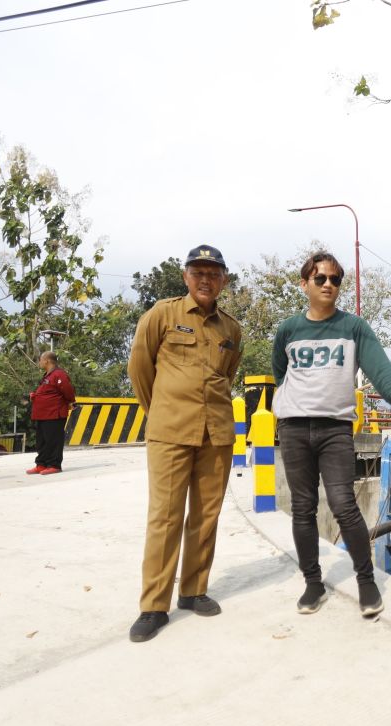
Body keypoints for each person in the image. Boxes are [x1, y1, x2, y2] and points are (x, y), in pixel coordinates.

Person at [272, 251, 391, 618]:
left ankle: (366, 580)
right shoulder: (289, 330)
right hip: (294, 427)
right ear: (305, 284)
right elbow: (280, 372)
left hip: (335, 429)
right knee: (303, 507)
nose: (329, 284)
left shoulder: (354, 328)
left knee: (344, 504)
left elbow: (379, 366)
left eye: (335, 279)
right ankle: (313, 583)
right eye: (320, 279)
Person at [126, 244, 244, 643]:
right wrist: (161, 410)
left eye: (213, 273)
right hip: (171, 431)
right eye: (198, 272)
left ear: (224, 280)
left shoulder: (231, 328)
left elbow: (226, 375)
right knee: (166, 516)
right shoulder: (162, 314)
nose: (206, 279)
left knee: (205, 516)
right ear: (185, 276)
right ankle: (153, 606)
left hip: (216, 433)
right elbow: (140, 368)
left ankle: (193, 591)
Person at [27, 351, 75, 476]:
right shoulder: (47, 376)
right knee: (41, 441)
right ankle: (41, 464)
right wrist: (35, 396)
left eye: (40, 360)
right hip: (42, 414)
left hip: (54, 414)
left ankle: (54, 464)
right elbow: (48, 392)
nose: (40, 362)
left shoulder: (59, 374)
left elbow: (68, 390)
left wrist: (70, 402)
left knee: (53, 440)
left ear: (47, 360)